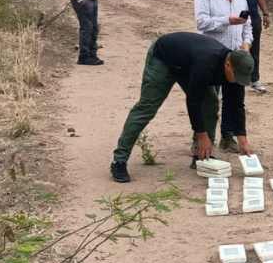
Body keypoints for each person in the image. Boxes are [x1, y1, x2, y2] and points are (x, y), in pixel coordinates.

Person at [109, 32, 255, 183]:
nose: (238, 80)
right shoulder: (206, 63)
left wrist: (242, 138)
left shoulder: (237, 70)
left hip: (188, 63)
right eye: (236, 76)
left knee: (210, 105)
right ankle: (119, 161)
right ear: (228, 64)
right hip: (164, 58)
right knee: (147, 108)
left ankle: (202, 156)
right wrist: (201, 135)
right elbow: (193, 100)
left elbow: (237, 105)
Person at [194, 0, 253, 153]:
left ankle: (228, 137)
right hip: (212, 55)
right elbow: (202, 23)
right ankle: (201, 138)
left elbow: (247, 24)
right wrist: (227, 21)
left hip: (236, 55)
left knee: (235, 99)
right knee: (209, 99)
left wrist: (246, 44)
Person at [231, 0, 271, 93]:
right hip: (234, 15)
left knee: (254, 47)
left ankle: (254, 79)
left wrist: (265, 13)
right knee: (233, 46)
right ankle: (231, 80)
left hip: (252, 14)